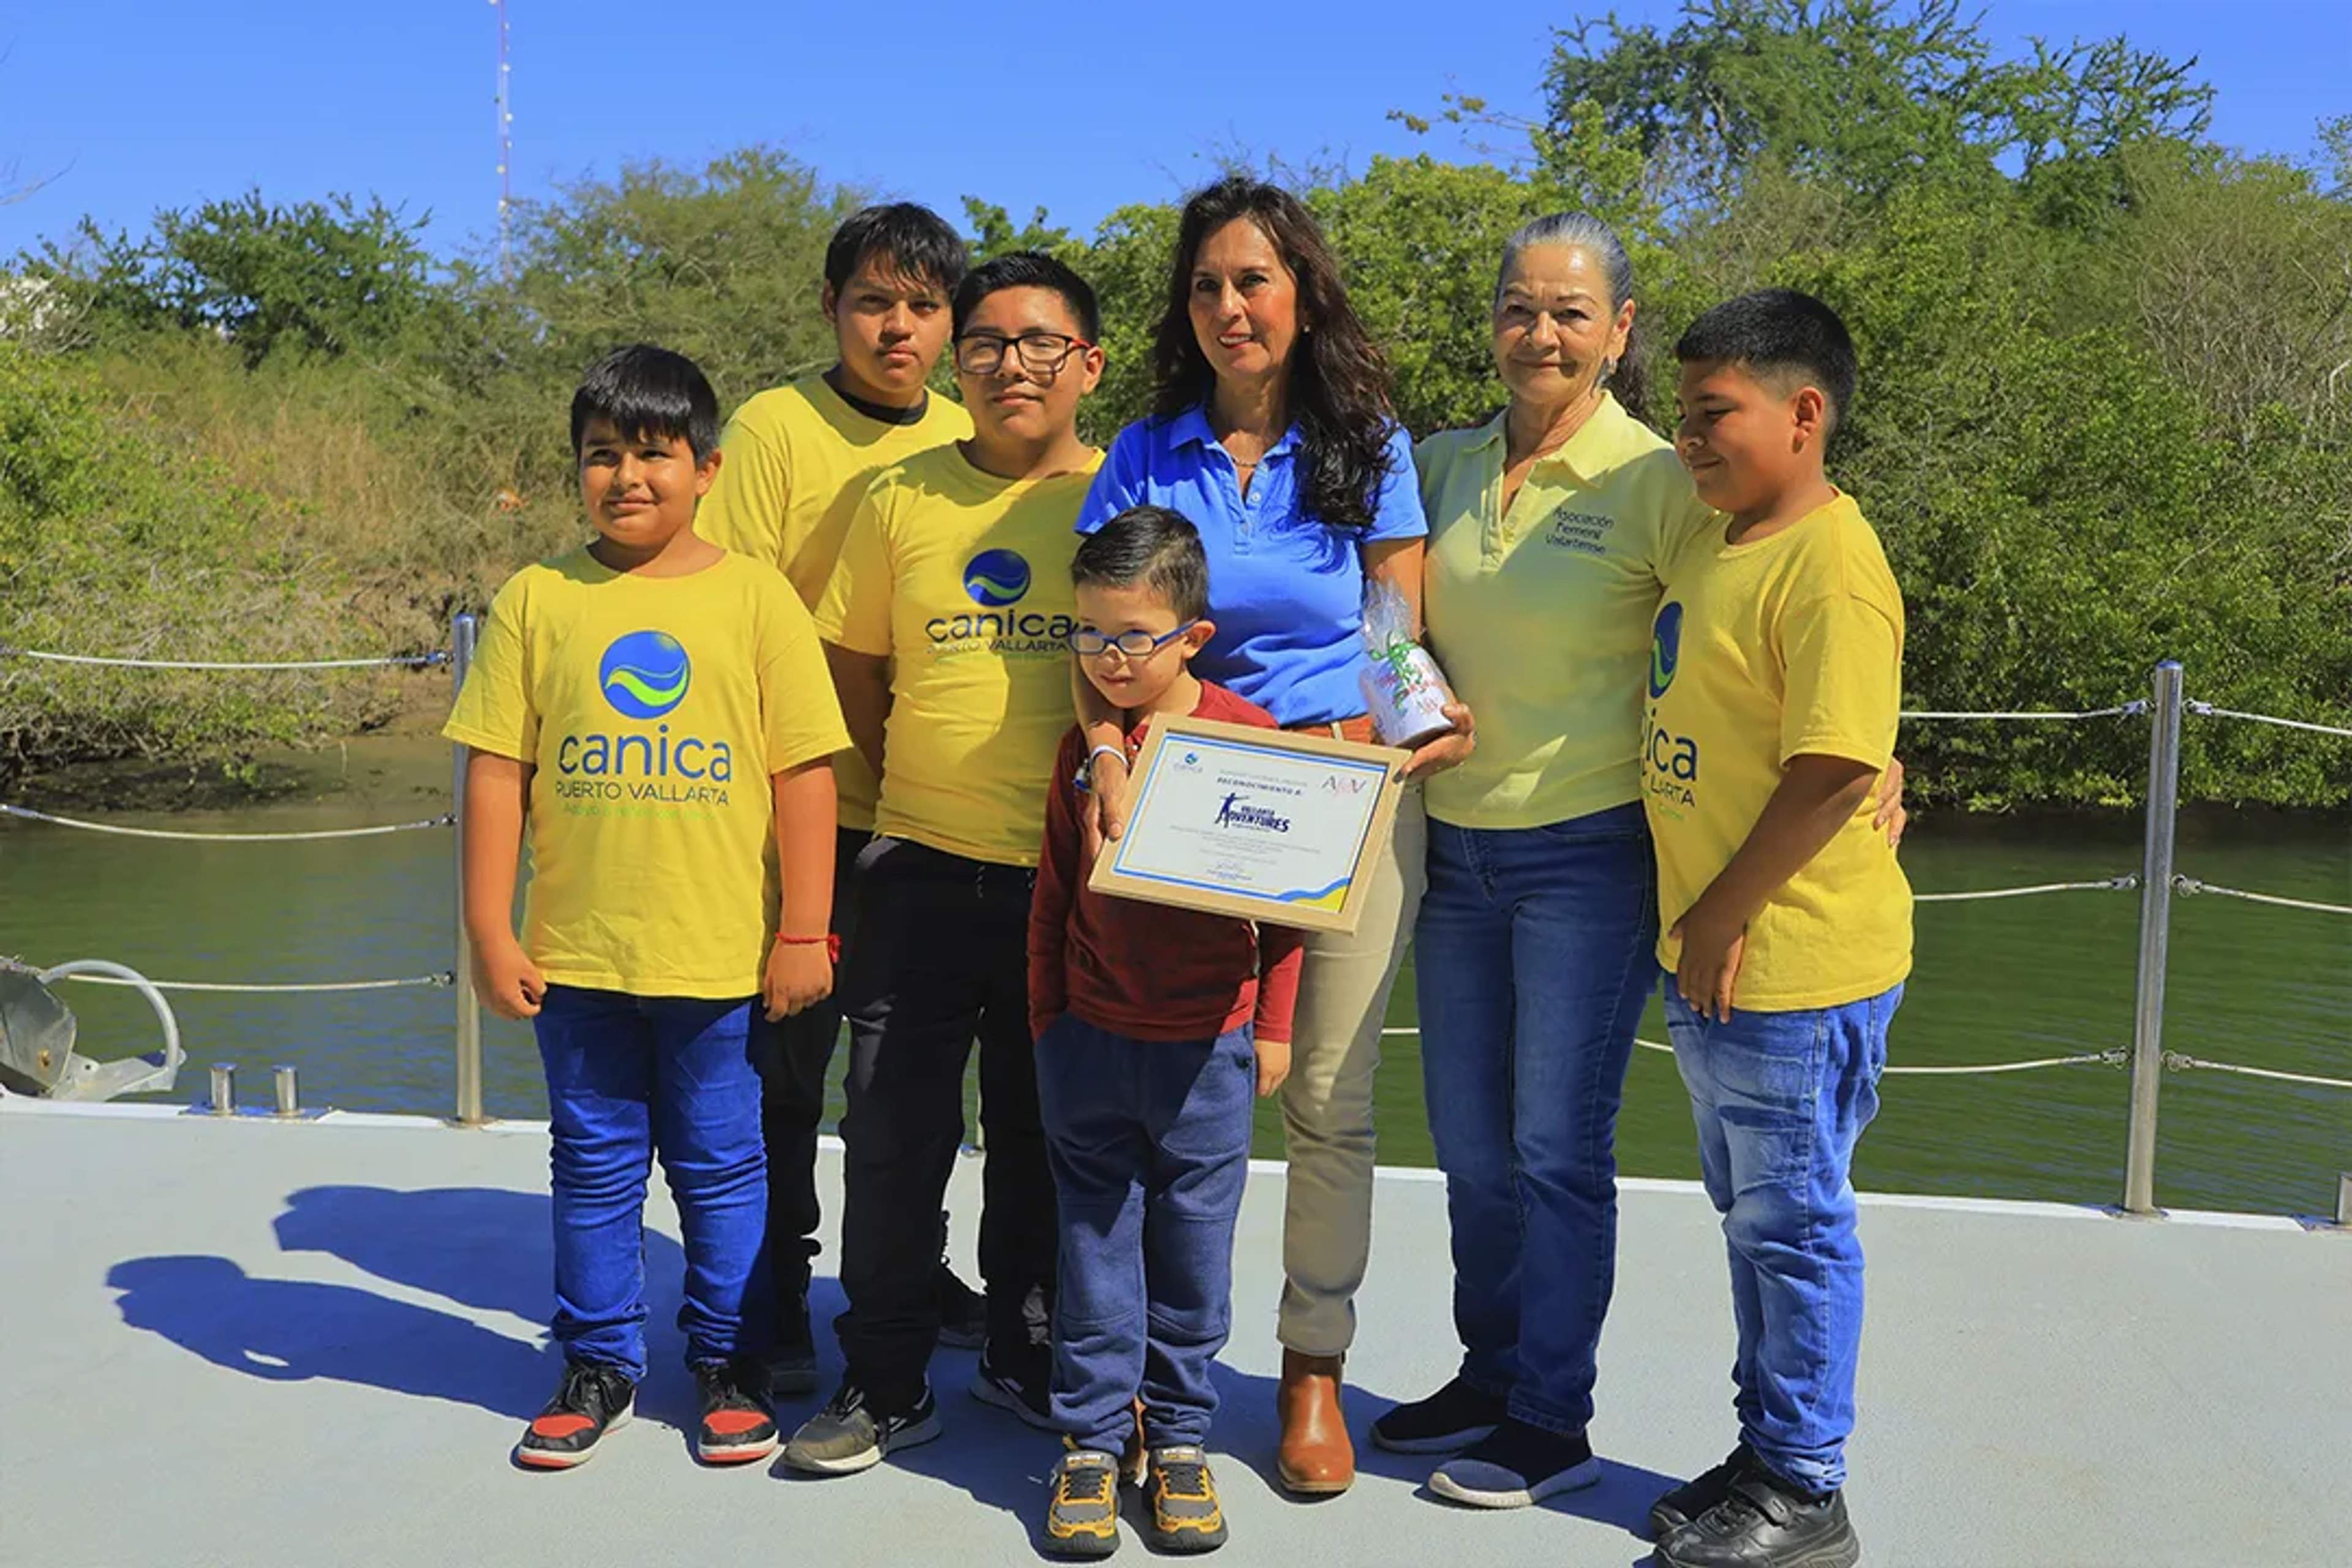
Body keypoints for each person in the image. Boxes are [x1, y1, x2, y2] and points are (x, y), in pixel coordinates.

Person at [1380, 216, 1908, 1513]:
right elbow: (1383, 616)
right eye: (1518, 307)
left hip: (1594, 855)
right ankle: (1492, 1371)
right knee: (1472, 1147)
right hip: (1456, 850)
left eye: (1571, 311)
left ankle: (1550, 1416)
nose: (1540, 333)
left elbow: (1791, 606)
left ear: (1619, 330)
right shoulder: (1439, 465)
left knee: (1556, 1149)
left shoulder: (1666, 476)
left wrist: (1877, 755)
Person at [1075, 175, 1469, 1497]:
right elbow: (1098, 639)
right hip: (1174, 801)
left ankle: (1311, 1369)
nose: (1229, 306)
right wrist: (1109, 758)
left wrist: (1417, 720)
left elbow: (1393, 633)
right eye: (1206, 285)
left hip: (1340, 795)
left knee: (1325, 1099)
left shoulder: (1370, 444)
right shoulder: (1145, 451)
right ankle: (1143, 1377)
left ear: (1304, 294)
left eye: (1253, 280)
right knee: (1162, 1098)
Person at [445, 344, 849, 1470]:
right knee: (593, 1162)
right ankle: (599, 1362)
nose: (627, 477)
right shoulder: (539, 599)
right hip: (578, 959)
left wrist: (804, 930)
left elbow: (805, 774)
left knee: (722, 1165)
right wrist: (489, 929)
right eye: (601, 455)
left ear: (706, 468)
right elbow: (495, 772)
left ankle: (728, 1357)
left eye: (654, 454)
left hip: (720, 961)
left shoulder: (756, 598)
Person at [783, 253, 1107, 1476]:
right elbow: (854, 669)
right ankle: (884, 1374)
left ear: (1089, 363)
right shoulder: (898, 496)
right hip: (916, 865)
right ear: (956, 363)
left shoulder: (1122, 493)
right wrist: (912, 791)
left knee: (1044, 1136)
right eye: (985, 344)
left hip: (1069, 882)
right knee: (890, 1131)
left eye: (1040, 343)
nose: (1011, 366)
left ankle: (1029, 1353)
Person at [694, 202, 986, 1393]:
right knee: (781, 1076)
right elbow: (724, 610)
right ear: (831, 308)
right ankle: (773, 1296)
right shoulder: (774, 429)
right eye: (873, 302)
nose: (897, 327)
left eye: (923, 306)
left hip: (927, 815)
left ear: (953, 321)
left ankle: (914, 1270)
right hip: (800, 809)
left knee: (907, 1086)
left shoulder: (970, 431)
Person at [1643, 288, 1910, 1568]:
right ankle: (1767, 1448)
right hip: (1718, 963)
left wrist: (1717, 913)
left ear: (1805, 414)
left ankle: (1807, 1489)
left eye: (1714, 415)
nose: (1688, 439)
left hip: (1788, 964)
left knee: (1796, 1229)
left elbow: (1836, 765)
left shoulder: (1832, 565)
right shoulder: (1723, 537)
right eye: (1682, 415)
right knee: (1752, 1221)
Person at [1028, 507, 1305, 1558]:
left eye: (1133, 637)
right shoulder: (1079, 749)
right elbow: (1053, 900)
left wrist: (1272, 1028)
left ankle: (1180, 1436)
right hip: (1090, 1043)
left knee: (1194, 1255)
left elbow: (1292, 909)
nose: (1109, 658)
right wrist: (1048, 1022)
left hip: (1210, 1054)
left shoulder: (1249, 737)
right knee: (1095, 1250)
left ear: (1193, 637)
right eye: (1090, 634)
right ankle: (1093, 1442)